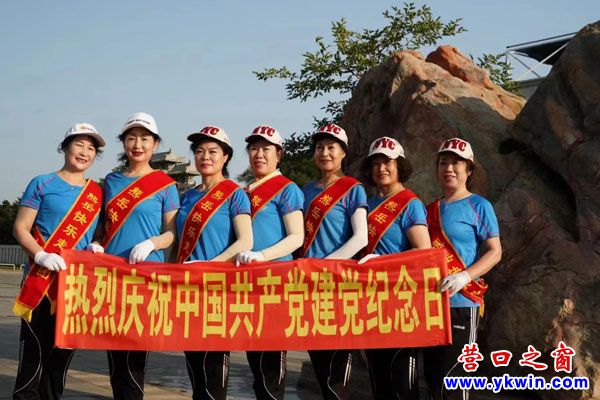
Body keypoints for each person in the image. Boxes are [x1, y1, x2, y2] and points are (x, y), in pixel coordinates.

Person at [12, 123, 105, 399]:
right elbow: (20, 228)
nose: (84, 152)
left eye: (91, 148)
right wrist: (40, 255)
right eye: (79, 145)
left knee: (61, 358)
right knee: (33, 356)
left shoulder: (96, 192)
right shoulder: (42, 183)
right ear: (64, 147)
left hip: (75, 285)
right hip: (40, 281)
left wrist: (96, 244)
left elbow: (99, 233)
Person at [91, 112, 180, 400]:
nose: (138, 145)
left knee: (136, 350)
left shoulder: (165, 184)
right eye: (131, 138)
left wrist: (152, 243)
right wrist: (96, 243)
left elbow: (171, 234)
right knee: (114, 349)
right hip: (112, 275)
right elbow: (102, 226)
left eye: (145, 139)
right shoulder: (111, 181)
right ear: (123, 143)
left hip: (145, 276)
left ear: (155, 144)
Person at [175, 125, 252, 400]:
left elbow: (245, 241)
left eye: (213, 151)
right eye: (199, 151)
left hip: (217, 289)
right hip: (188, 291)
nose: (205, 156)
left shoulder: (235, 193)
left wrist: (209, 266)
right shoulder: (187, 196)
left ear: (226, 157)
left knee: (214, 368)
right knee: (194, 367)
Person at [423, 137, 502, 400]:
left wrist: (465, 276)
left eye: (456, 163)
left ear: (468, 170)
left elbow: (495, 251)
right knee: (433, 378)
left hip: (462, 303)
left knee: (455, 380)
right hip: (431, 304)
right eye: (443, 163)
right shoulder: (428, 210)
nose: (448, 168)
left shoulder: (479, 206)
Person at [358, 136, 431, 400]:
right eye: (375, 163)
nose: (381, 168)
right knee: (378, 379)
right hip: (371, 300)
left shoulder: (410, 203)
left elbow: (423, 251)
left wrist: (381, 262)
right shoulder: (366, 204)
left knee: (403, 380)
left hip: (401, 300)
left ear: (399, 165)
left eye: (387, 162)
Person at [235, 125, 305, 400]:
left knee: (272, 366)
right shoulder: (245, 191)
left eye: (266, 149)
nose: (259, 154)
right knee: (255, 362)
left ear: (279, 154)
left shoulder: (287, 189)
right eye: (254, 149)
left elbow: (296, 237)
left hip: (275, 283)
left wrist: (262, 255)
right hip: (248, 284)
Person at [300, 123, 368, 400]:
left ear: (343, 153)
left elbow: (361, 237)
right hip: (308, 286)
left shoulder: (352, 189)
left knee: (338, 370)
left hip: (338, 285)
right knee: (319, 365)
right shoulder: (305, 190)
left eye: (331, 147)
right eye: (320, 147)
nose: (325, 153)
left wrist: (327, 264)